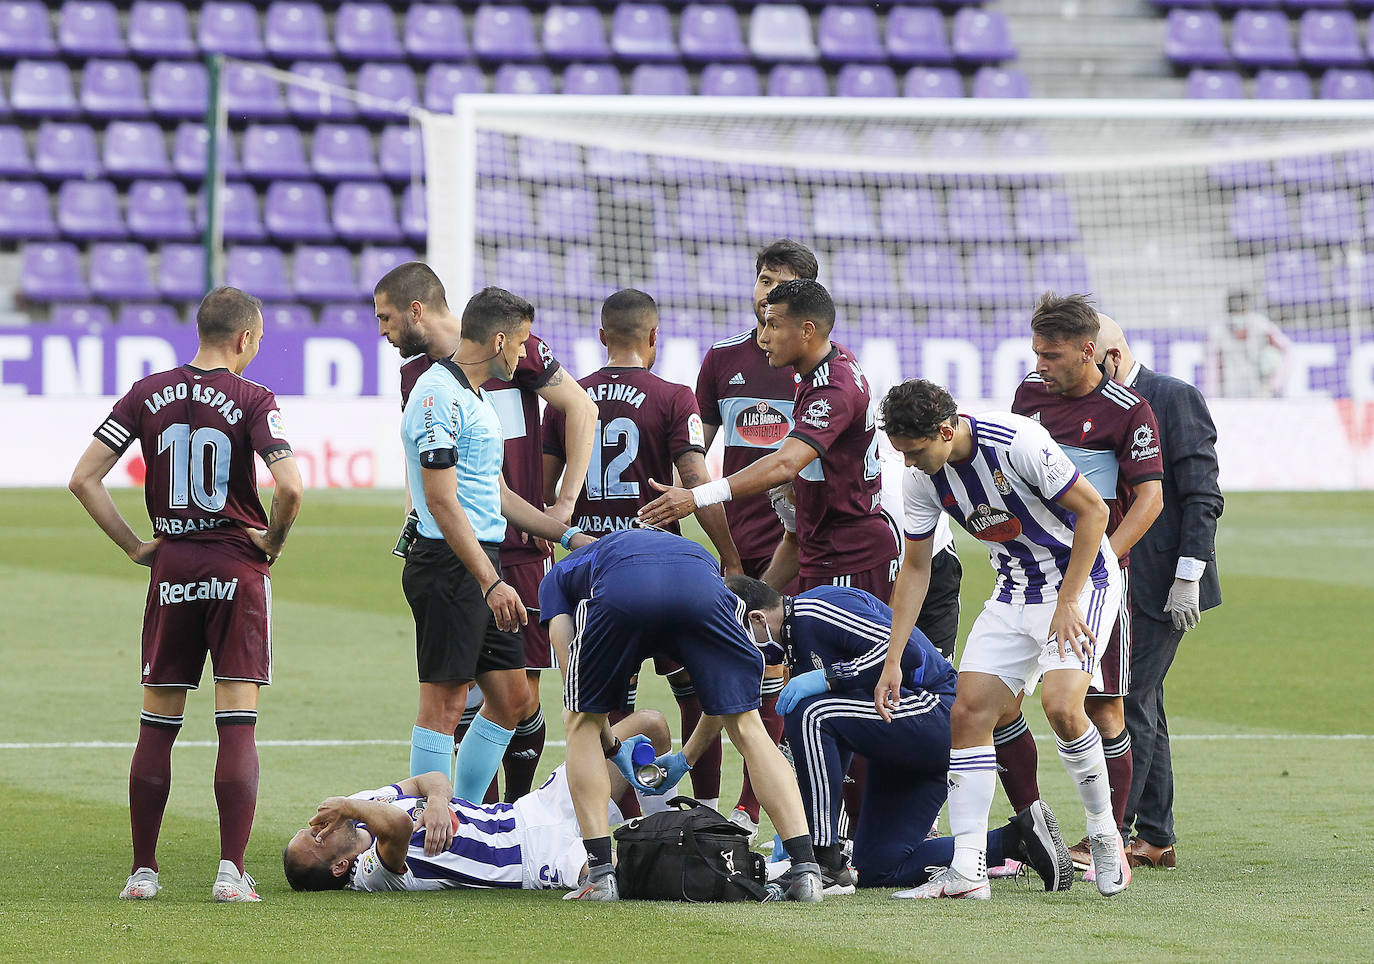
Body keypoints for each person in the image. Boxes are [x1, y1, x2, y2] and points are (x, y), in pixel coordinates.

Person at [69, 286, 303, 902]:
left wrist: (133, 544)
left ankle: (143, 873)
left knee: (157, 721)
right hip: (235, 568)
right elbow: (291, 488)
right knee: (237, 724)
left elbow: (83, 478)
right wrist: (271, 542)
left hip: (171, 565)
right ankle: (230, 872)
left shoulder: (148, 392)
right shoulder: (255, 398)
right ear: (245, 338)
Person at [872, 378, 1130, 900]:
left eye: (916, 451)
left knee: (1062, 706)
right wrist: (893, 656)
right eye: (900, 453)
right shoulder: (921, 477)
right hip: (1014, 591)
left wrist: (1068, 600)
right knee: (967, 713)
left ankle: (1105, 835)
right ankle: (967, 872)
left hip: (1082, 582)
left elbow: (1095, 513)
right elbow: (916, 568)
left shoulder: (1017, 441)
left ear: (946, 430)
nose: (909, 464)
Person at [376, 262, 596, 803]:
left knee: (512, 699)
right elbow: (441, 500)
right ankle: (426, 820)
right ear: (499, 341)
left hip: (484, 562)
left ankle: (469, 815)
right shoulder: (435, 394)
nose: (524, 357)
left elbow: (493, 494)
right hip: (449, 566)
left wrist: (566, 536)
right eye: (520, 345)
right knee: (445, 704)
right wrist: (490, 582)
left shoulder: (473, 396)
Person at [726, 575, 1074, 895]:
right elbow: (832, 743)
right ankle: (1017, 840)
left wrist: (830, 676)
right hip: (900, 738)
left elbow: (904, 651)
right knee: (878, 867)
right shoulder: (793, 643)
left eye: (737, 635)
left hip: (937, 709)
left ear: (757, 618)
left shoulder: (813, 611)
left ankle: (822, 859)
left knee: (809, 711)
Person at [539, 527, 825, 902]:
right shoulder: (685, 548)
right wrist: (684, 758)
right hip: (703, 592)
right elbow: (722, 704)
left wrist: (610, 746)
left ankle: (600, 876)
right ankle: (805, 871)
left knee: (578, 720)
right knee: (749, 727)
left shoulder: (557, 578)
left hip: (625, 596)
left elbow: (573, 686)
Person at [542, 289, 741, 813]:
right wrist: (730, 554)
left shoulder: (568, 397)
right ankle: (708, 813)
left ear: (602, 336)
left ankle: (627, 826)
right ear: (655, 338)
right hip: (665, 567)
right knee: (698, 692)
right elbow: (696, 482)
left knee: (606, 707)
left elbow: (545, 496)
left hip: (596, 573)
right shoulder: (675, 397)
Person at [994, 294, 1163, 877]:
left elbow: (1150, 499)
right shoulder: (1028, 397)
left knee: (1101, 708)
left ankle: (1107, 840)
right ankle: (1031, 831)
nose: (1040, 363)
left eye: (1053, 354)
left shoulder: (1127, 409)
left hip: (1093, 584)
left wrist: (1105, 564)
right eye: (1037, 351)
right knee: (995, 703)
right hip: (1026, 577)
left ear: (1088, 351)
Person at [639, 278, 899, 600]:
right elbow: (794, 537)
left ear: (806, 331)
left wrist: (697, 497)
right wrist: (753, 600)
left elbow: (786, 463)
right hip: (821, 549)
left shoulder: (833, 388)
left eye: (773, 326)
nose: (763, 337)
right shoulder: (823, 368)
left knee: (842, 651)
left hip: (850, 558)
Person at [692, 239, 812, 839]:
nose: (766, 291)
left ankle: (753, 803)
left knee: (781, 676)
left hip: (799, 545)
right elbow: (697, 457)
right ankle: (712, 799)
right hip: (735, 541)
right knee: (722, 667)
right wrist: (725, 546)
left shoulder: (819, 369)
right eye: (763, 278)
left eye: (780, 283)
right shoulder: (721, 361)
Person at [1096, 315, 1224, 870]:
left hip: (1162, 583)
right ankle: (1155, 836)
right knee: (1147, 705)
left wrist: (1189, 575)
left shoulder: (1173, 397)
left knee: (1123, 700)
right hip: (1113, 581)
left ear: (1111, 357)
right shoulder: (1093, 406)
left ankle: (1114, 832)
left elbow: (1201, 494)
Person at [282, 711, 669, 893]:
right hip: (536, 859)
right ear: (338, 868)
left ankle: (669, 824)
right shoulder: (369, 875)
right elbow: (398, 826)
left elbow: (429, 779)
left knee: (649, 726)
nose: (320, 826)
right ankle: (685, 852)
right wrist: (348, 807)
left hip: (533, 809)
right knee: (620, 871)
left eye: (310, 827)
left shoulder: (364, 803)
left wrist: (435, 799)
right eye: (316, 839)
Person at [1206, 289, 1291, 397]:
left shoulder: (1261, 325)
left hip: (1259, 392)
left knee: (1271, 357)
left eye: (1243, 310)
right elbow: (1211, 366)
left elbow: (1287, 350)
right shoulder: (1217, 331)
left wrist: (1276, 383)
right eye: (1236, 311)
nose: (1240, 314)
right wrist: (1213, 395)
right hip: (1230, 393)